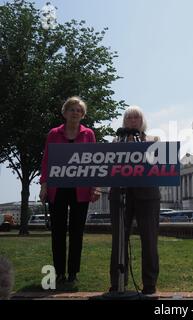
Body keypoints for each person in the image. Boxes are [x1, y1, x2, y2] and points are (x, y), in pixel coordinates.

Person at [39, 96, 100, 285]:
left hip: (81, 190)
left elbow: (94, 161)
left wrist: (96, 187)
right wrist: (43, 185)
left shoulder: (88, 134)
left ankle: (73, 273)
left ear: (83, 115)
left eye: (79, 110)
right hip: (57, 189)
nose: (75, 113)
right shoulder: (53, 134)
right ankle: (58, 273)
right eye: (72, 109)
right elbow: (47, 161)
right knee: (57, 232)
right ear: (65, 113)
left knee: (76, 233)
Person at [109, 106, 161, 296]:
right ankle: (117, 283)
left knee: (149, 240)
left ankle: (150, 284)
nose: (132, 120)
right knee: (119, 240)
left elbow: (160, 165)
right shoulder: (116, 141)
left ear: (142, 120)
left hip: (148, 195)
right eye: (129, 117)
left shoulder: (153, 140)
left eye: (136, 117)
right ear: (124, 121)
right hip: (120, 195)